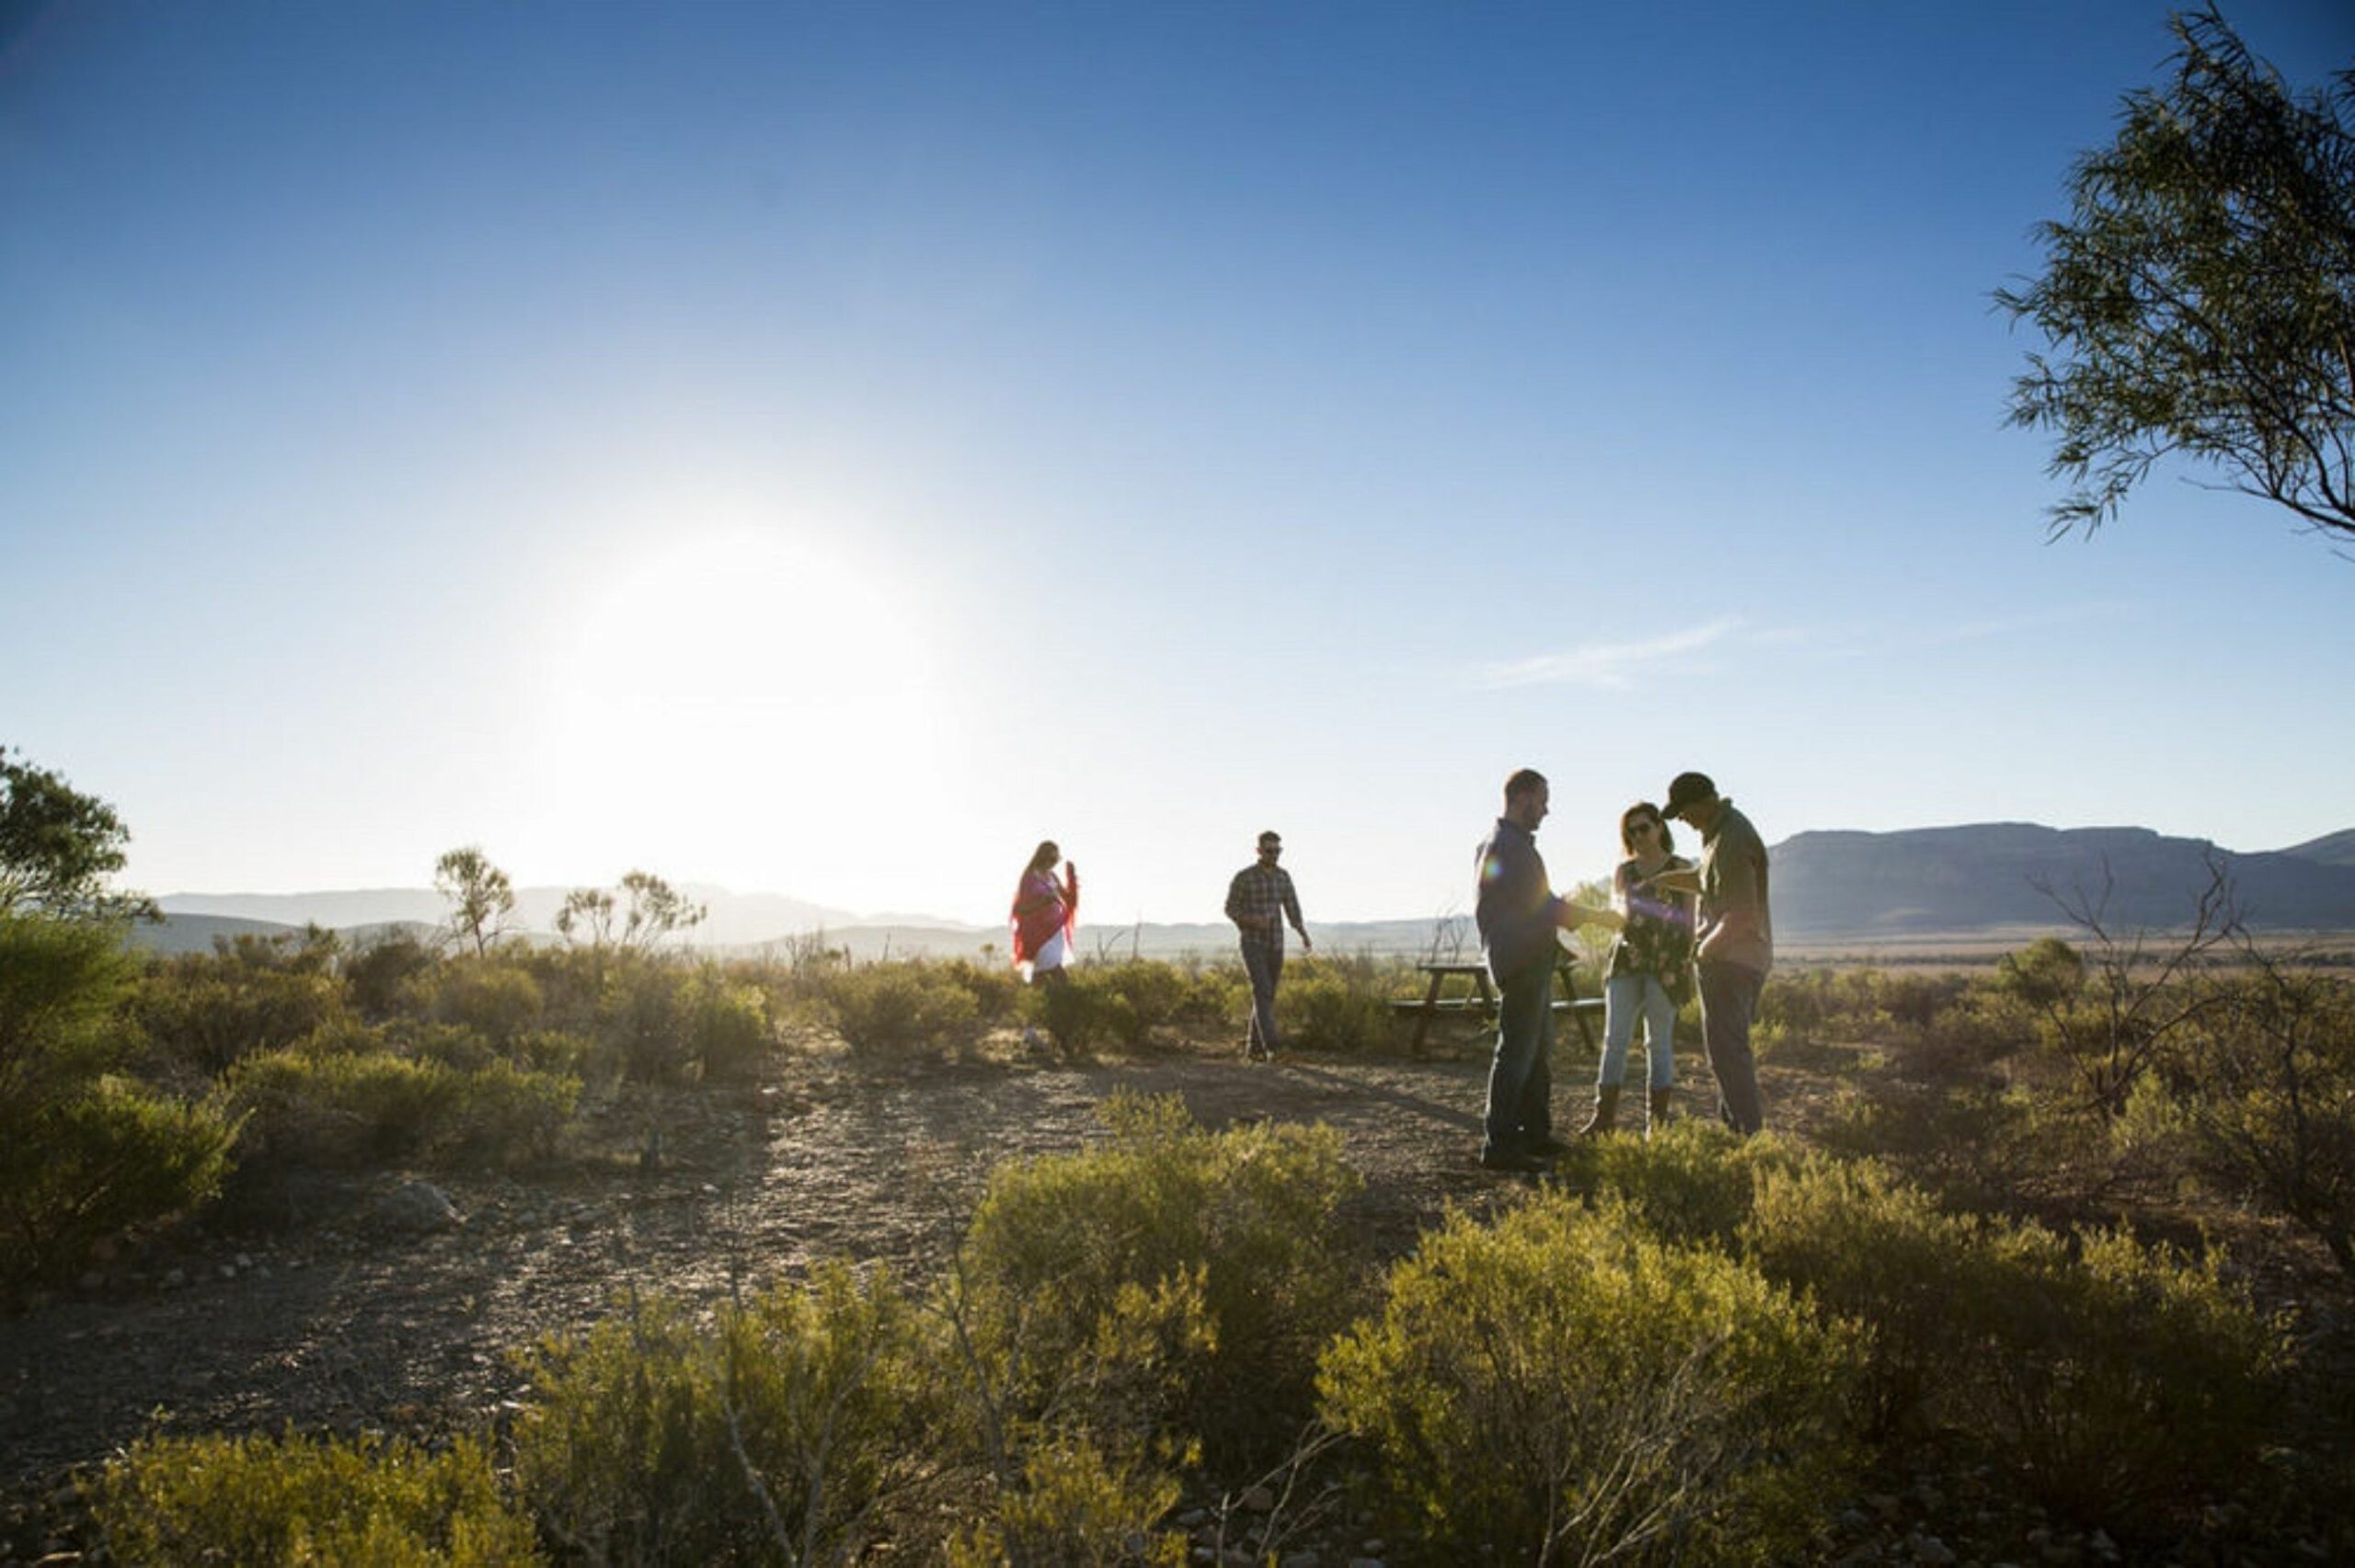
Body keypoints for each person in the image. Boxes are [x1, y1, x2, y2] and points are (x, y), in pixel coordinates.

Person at [1474, 769, 1615, 1173]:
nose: (1546, 810)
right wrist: (1599, 917)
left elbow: (1524, 905)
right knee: (1518, 1053)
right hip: (1522, 961)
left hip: (1522, 958)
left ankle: (1534, 1134)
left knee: (1535, 1053)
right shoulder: (1511, 848)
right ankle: (1500, 1143)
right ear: (1521, 799)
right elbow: (1546, 906)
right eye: (1542, 800)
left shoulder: (1499, 844)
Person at [1658, 772, 1770, 1134]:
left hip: (1730, 961)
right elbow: (1706, 880)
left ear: (1703, 802)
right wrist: (1660, 881)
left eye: (1684, 812)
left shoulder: (1732, 839)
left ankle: (1749, 1137)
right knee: (1726, 1053)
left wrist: (1705, 951)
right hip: (1739, 958)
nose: (1682, 821)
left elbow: (1741, 913)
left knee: (1729, 1055)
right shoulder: (1720, 835)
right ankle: (1737, 1131)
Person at [1580, 801, 1696, 1139]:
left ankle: (1656, 1126)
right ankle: (1603, 1119)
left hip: (1666, 964)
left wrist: (1685, 963)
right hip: (1627, 962)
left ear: (1660, 827)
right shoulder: (1625, 872)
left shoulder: (1681, 868)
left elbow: (1689, 921)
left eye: (1644, 828)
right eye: (1631, 831)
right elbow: (1620, 915)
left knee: (1657, 1043)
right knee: (1614, 1038)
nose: (1638, 836)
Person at [1225, 830, 1312, 1061]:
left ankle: (1254, 1050)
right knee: (1262, 990)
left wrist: (1303, 933)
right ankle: (1273, 1048)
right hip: (1253, 943)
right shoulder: (1244, 877)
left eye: (1278, 851)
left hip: (1276, 942)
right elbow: (1230, 908)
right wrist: (1250, 920)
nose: (1274, 855)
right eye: (1269, 850)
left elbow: (1292, 907)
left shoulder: (1283, 877)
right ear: (1259, 851)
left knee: (1266, 995)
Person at [1010, 841, 1078, 985]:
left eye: (1056, 859)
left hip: (1054, 932)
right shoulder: (1029, 877)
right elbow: (1020, 909)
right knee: (1056, 973)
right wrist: (1042, 902)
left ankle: (1035, 1003)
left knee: (1040, 974)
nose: (1054, 863)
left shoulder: (1052, 876)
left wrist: (1071, 877)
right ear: (1042, 857)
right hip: (1036, 933)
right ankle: (1069, 1001)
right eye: (1051, 859)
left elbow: (1068, 899)